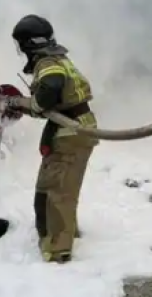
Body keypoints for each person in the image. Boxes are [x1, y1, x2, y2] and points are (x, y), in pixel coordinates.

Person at [11, 14, 98, 264]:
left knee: (56, 190)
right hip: (76, 127)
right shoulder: (58, 58)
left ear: (28, 44)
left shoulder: (48, 62)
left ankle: (57, 249)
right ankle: (65, 233)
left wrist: (31, 103)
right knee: (59, 186)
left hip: (71, 131)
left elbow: (50, 88)